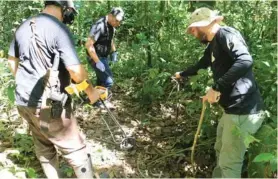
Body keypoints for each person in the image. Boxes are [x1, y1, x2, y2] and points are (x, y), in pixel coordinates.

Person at [7, 0, 105, 178]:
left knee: (44, 143)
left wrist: (26, 85)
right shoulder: (58, 29)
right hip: (47, 106)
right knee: (75, 148)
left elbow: (12, 61)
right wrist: (92, 92)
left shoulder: (23, 26)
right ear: (64, 8)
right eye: (70, 11)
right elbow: (75, 71)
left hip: (24, 102)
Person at [175, 7, 265, 178]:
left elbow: (245, 60)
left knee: (229, 163)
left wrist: (216, 88)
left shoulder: (225, 34)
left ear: (208, 24)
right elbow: (202, 64)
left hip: (242, 110)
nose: (192, 32)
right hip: (231, 110)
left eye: (194, 28)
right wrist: (182, 74)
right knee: (219, 150)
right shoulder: (213, 44)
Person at [85, 7, 124, 109]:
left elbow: (110, 40)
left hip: (104, 57)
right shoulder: (99, 26)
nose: (117, 23)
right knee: (108, 81)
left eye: (119, 22)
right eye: (116, 20)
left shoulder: (111, 26)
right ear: (110, 15)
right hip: (95, 57)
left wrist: (114, 52)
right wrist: (97, 61)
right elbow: (89, 45)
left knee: (101, 81)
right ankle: (102, 101)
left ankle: (96, 100)